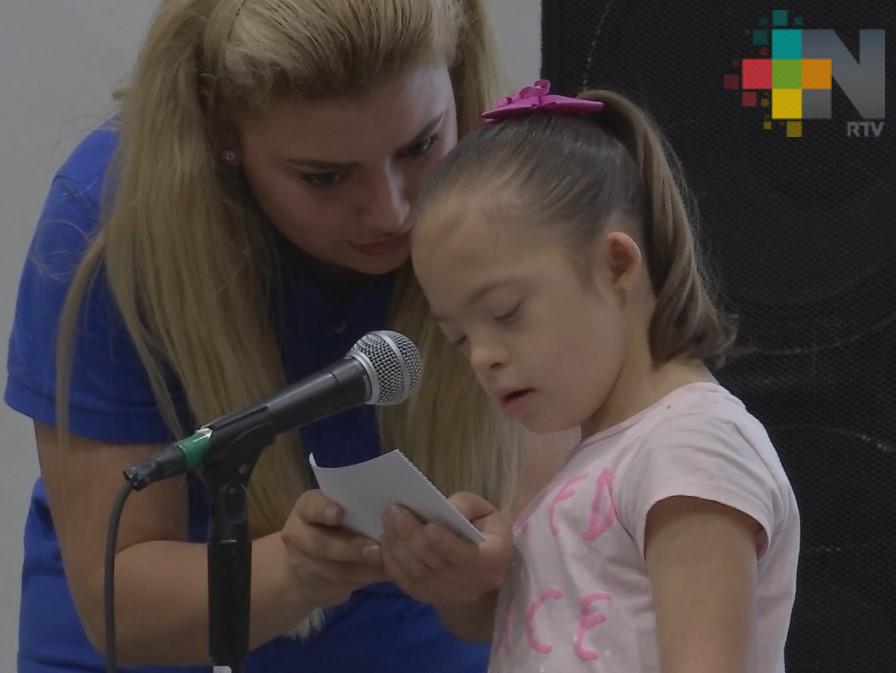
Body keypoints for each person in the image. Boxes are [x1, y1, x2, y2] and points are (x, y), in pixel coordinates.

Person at [5, 3, 572, 672]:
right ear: (223, 132)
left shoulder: (521, 198)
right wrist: (294, 570)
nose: (391, 209)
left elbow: (543, 550)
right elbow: (119, 602)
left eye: (420, 145)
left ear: (456, 79)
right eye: (325, 178)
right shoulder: (107, 227)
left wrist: (480, 573)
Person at [378, 80, 801, 673]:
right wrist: (463, 578)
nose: (481, 358)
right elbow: (527, 625)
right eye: (459, 338)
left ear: (616, 265)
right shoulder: (602, 457)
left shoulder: (692, 447)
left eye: (505, 313)